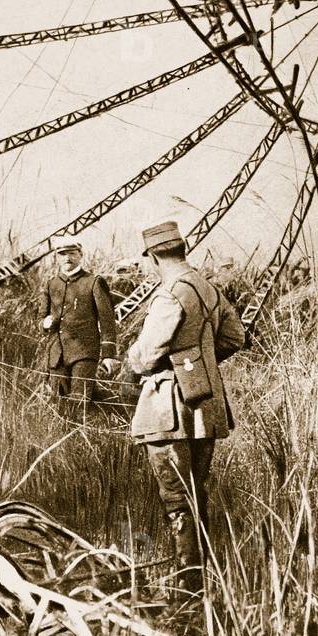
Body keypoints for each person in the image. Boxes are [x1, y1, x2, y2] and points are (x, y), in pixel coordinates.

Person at [126, 221, 245, 596]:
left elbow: (145, 356)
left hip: (167, 409)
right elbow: (235, 337)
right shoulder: (208, 288)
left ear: (154, 256)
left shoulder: (170, 294)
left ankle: (186, 587)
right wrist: (198, 361)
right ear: (182, 248)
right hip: (206, 407)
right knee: (197, 491)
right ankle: (203, 581)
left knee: (177, 497)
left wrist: (137, 363)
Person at [38, 238, 118, 410]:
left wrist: (109, 353)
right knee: (58, 403)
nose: (67, 258)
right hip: (57, 352)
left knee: (79, 402)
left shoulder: (94, 282)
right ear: (57, 258)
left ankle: (85, 433)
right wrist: (44, 323)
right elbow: (41, 317)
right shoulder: (51, 284)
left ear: (81, 255)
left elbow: (107, 320)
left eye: (72, 253)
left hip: (84, 352)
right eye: (62, 254)